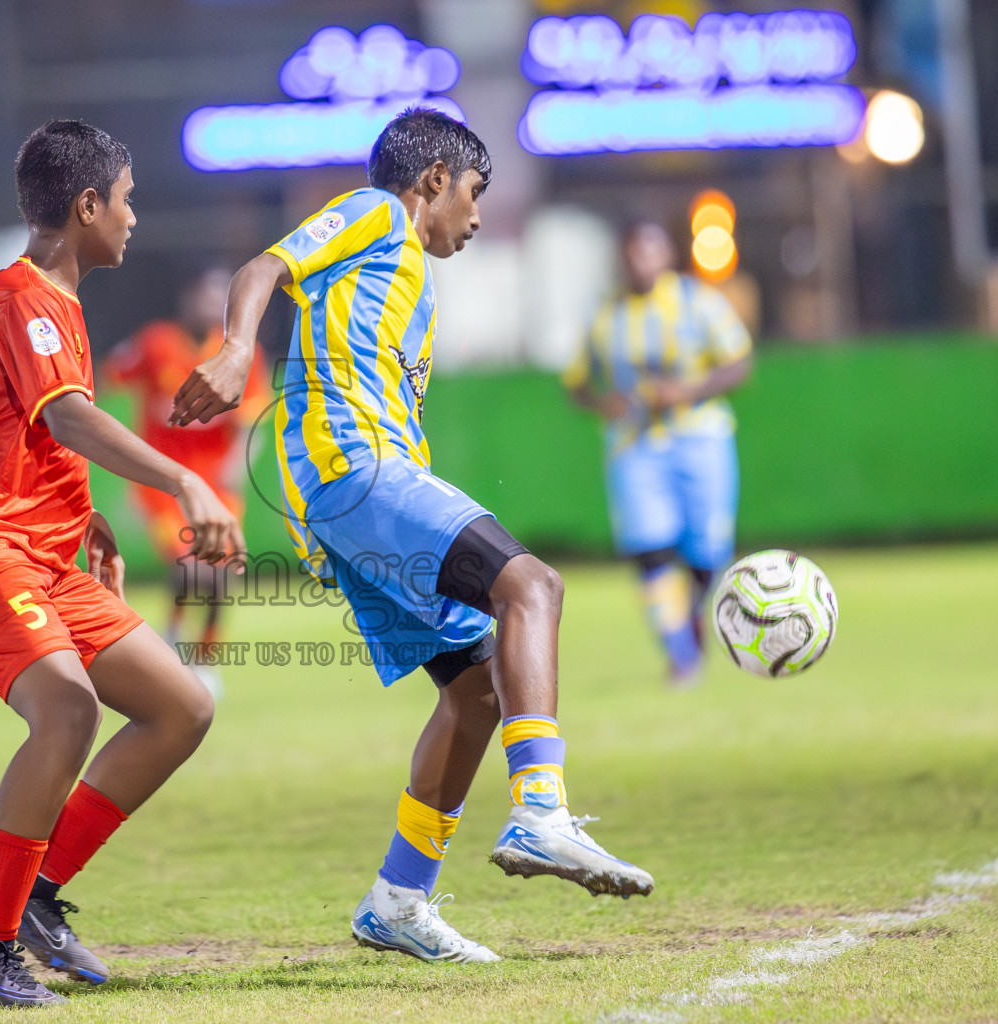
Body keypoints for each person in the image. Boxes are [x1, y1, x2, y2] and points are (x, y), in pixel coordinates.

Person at [170, 107, 655, 965]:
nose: (474, 216)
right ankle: (540, 811)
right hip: (351, 467)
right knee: (533, 587)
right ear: (433, 178)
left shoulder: (411, 292)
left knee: (475, 688)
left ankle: (398, 900)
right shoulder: (374, 212)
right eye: (473, 192)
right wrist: (236, 347)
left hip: (353, 491)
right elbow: (264, 266)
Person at [0, 119, 244, 1007]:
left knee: (180, 707)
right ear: (87, 206)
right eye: (126, 198)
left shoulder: (56, 301)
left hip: (38, 550)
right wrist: (184, 484)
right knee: (67, 707)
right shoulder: (25, 297)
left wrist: (85, 515)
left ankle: (38, 899)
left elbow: (17, 429)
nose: (135, 215)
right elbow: (67, 418)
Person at [563, 219, 753, 686]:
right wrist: (604, 403)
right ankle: (681, 656)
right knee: (649, 550)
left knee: (707, 556)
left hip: (700, 439)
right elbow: (577, 383)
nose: (639, 261)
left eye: (648, 251)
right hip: (635, 447)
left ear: (666, 255)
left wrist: (688, 390)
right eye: (631, 252)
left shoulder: (697, 301)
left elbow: (739, 362)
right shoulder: (606, 315)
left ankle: (690, 621)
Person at [103, 267, 271, 696]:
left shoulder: (238, 354)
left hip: (215, 486)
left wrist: (236, 469)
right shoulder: (156, 344)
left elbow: (252, 422)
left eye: (221, 297)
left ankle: (206, 661)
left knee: (222, 572)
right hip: (162, 486)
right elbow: (110, 375)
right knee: (189, 567)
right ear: (187, 299)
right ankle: (175, 640)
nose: (212, 305)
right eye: (205, 296)